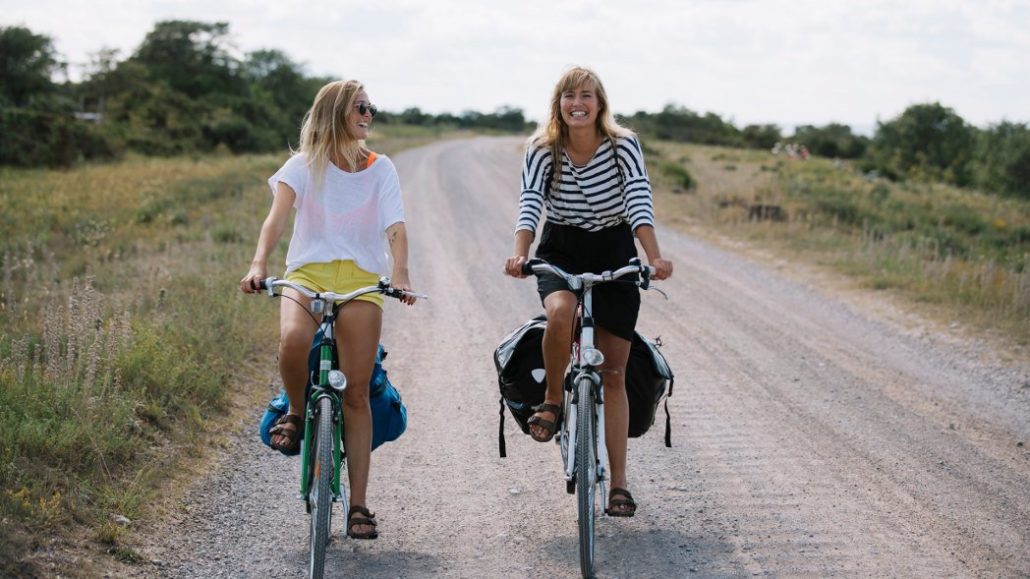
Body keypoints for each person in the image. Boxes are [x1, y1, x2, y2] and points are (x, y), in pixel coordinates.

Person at [240, 79, 417, 540]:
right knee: (294, 341)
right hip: (307, 274)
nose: (368, 114)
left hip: (360, 282)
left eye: (371, 107)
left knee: (356, 393)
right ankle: (297, 414)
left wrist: (400, 273)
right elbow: (276, 218)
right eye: (361, 106)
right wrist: (259, 264)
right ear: (337, 111)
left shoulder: (382, 169)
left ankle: (359, 505)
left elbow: (395, 225)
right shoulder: (303, 165)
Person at [504, 66, 672, 517]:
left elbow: (638, 198)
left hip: (614, 247)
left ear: (600, 104)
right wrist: (520, 253)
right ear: (558, 104)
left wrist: (654, 257)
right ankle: (554, 402)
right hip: (562, 247)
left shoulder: (623, 145)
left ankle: (619, 484)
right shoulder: (542, 148)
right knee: (560, 312)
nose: (577, 103)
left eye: (587, 96)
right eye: (568, 96)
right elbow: (530, 201)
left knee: (614, 373)